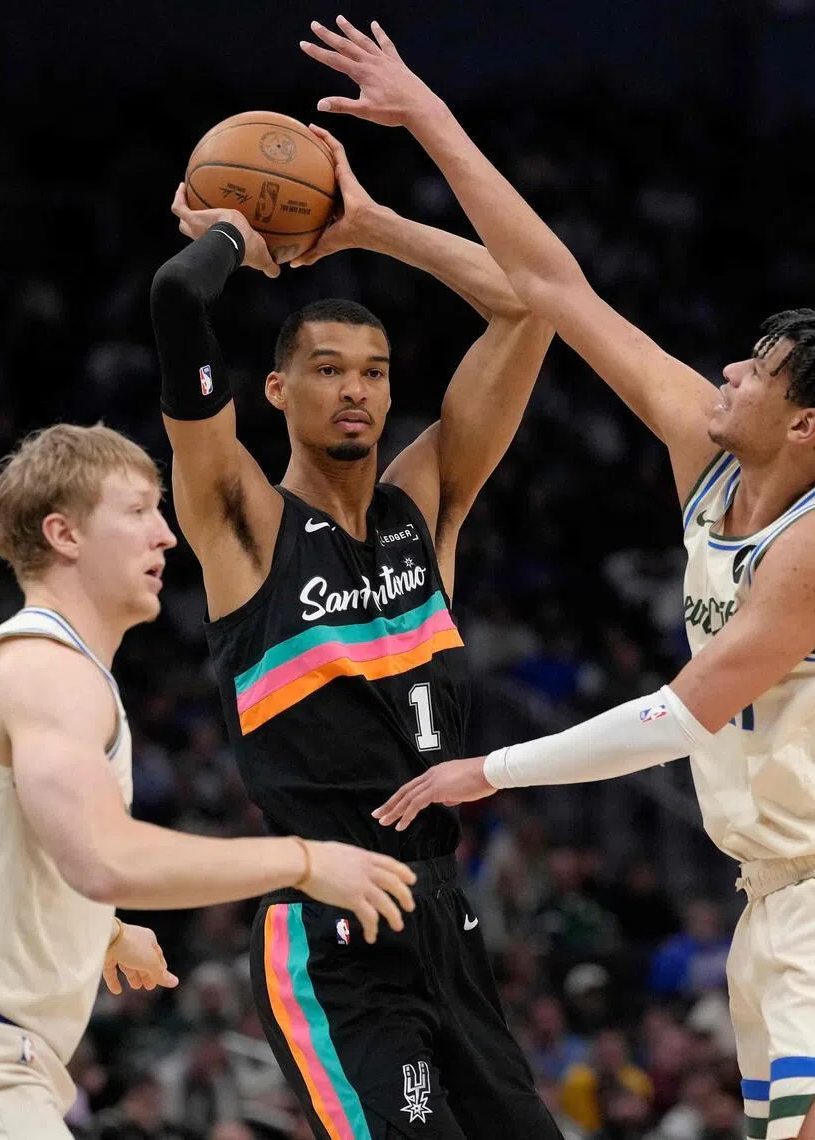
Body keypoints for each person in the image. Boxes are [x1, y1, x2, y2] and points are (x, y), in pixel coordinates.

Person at [303, 18, 815, 1140]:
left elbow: (682, 715)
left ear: (803, 425)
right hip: (774, 899)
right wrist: (420, 136)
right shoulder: (710, 459)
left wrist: (491, 771)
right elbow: (555, 285)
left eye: (760, 370)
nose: (730, 368)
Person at [151, 125, 562, 1140]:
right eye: (330, 370)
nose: (357, 390)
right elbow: (174, 299)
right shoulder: (243, 524)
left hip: (444, 914)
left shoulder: (425, 504)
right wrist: (234, 245)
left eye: (375, 372)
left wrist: (370, 226)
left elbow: (525, 304)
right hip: (333, 932)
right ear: (279, 392)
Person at [0, 423, 416, 1140]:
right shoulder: (48, 670)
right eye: (138, 510)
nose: (167, 535)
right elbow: (103, 860)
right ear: (64, 534)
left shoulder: (49, 670)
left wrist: (103, 933)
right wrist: (307, 860)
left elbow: (11, 851)